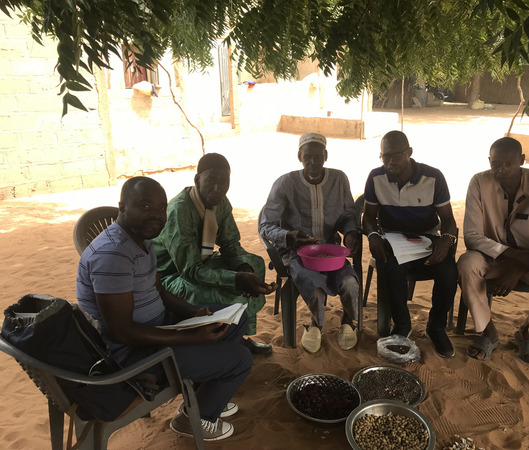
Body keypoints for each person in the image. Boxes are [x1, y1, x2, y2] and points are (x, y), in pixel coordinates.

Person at [76, 177, 253, 441]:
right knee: (240, 359)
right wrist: (190, 337)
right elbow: (122, 332)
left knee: (236, 317)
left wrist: (192, 313)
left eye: (161, 208)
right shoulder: (113, 255)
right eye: (146, 206)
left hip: (158, 327)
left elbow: (159, 291)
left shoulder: (140, 239)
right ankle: (196, 419)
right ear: (122, 206)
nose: (156, 215)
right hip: (135, 357)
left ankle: (206, 397)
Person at [458, 137, 529, 364]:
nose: (502, 169)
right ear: (489, 161)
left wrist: (519, 267)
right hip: (491, 256)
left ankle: (528, 333)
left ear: (522, 160)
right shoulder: (479, 182)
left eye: (509, 163)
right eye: (496, 164)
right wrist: (513, 257)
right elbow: (472, 236)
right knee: (466, 265)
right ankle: (488, 331)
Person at [153, 153, 277, 355]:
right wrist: (236, 279)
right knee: (209, 291)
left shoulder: (221, 202)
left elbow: (229, 244)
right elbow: (190, 270)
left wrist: (243, 268)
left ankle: (238, 335)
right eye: (211, 181)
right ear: (197, 180)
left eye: (224, 182)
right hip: (171, 276)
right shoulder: (179, 211)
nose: (217, 188)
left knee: (255, 263)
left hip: (202, 263)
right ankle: (218, 341)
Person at [258, 132, 361, 353]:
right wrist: (288, 237)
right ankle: (315, 325)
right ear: (299, 156)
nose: (313, 162)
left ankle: (348, 322)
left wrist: (351, 231)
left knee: (351, 284)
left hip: (331, 252)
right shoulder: (285, 183)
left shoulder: (339, 179)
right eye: (307, 157)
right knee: (315, 290)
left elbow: (348, 215)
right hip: (298, 254)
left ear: (326, 155)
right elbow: (265, 225)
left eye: (317, 156)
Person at [363, 130, 458, 358]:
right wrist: (373, 235)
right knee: (390, 267)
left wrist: (446, 240)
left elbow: (448, 220)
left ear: (409, 152)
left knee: (448, 273)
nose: (390, 162)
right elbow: (368, 217)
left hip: (427, 237)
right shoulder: (376, 178)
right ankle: (403, 325)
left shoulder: (433, 177)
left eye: (396, 155)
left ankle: (436, 327)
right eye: (385, 156)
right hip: (394, 238)